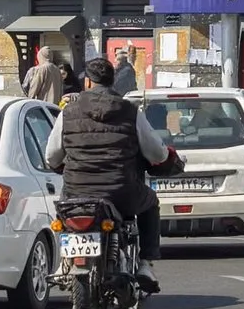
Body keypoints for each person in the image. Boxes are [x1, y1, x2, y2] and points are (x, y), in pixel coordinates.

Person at [44, 58, 178, 294]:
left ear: (87, 82)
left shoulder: (68, 112)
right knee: (151, 202)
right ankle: (146, 264)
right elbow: (156, 152)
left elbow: (52, 156)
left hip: (77, 191)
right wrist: (169, 159)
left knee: (65, 212)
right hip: (121, 191)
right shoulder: (130, 111)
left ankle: (66, 261)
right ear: (112, 81)